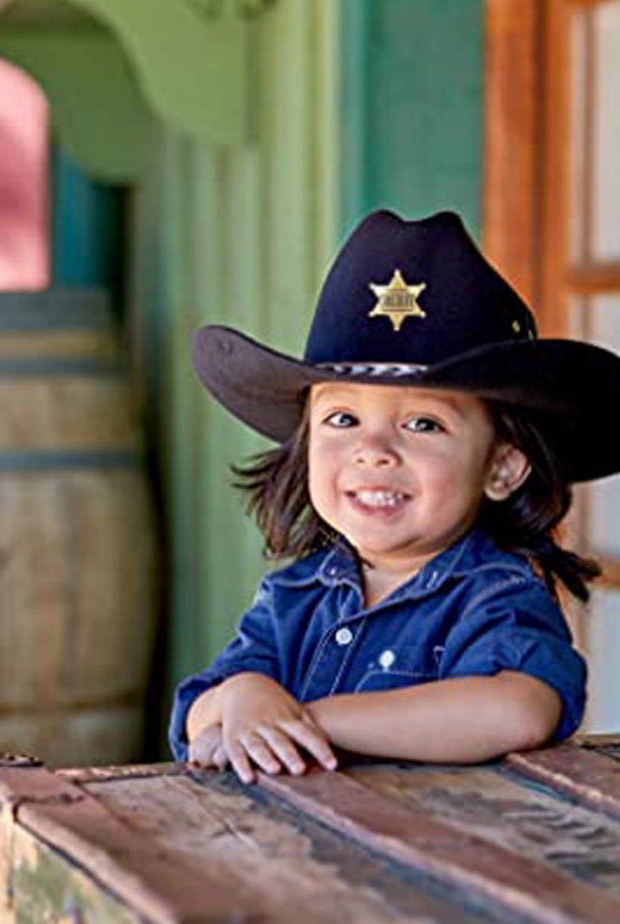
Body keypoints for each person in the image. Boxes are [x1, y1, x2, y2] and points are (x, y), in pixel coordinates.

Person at [169, 209, 620, 785]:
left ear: (502, 466)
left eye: (423, 425)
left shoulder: (495, 592)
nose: (372, 450)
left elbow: (519, 708)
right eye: (343, 418)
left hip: (450, 856)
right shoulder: (294, 597)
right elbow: (196, 714)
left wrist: (307, 720)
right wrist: (243, 697)